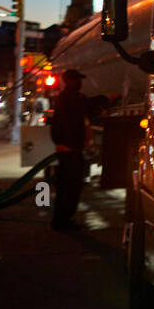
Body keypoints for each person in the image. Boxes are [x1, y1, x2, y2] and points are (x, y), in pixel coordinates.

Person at [49, 69, 89, 230]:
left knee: (69, 187)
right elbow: (65, 123)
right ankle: (61, 221)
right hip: (69, 149)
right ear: (70, 81)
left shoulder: (70, 98)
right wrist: (64, 143)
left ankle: (63, 219)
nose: (80, 83)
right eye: (77, 79)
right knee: (69, 188)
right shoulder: (69, 98)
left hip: (71, 148)